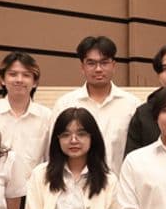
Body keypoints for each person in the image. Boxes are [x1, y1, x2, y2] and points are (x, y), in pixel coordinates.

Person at [49, 36, 141, 178]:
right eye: (91, 63)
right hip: (73, 184)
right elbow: (54, 149)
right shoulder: (65, 103)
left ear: (114, 65)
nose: (98, 69)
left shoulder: (132, 105)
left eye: (104, 63)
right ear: (82, 67)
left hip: (119, 185)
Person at [0, 52, 50, 209]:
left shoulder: (47, 116)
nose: (19, 80)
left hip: (31, 197)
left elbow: (49, 160)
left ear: (35, 82)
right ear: (2, 80)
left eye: (26, 75)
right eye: (13, 74)